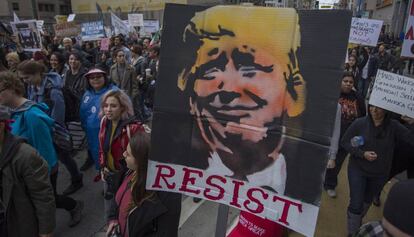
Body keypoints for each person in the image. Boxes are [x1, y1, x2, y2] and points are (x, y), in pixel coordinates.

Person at [176, 6, 306, 192]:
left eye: (249, 69)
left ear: (293, 89)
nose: (228, 89)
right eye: (211, 70)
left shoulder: (305, 183)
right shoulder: (179, 167)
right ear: (191, 99)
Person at [0, 71, 84, 228]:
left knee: (48, 199)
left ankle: (74, 206)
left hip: (42, 169)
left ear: (11, 89)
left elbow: (44, 150)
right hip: (25, 168)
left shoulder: (32, 116)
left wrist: (43, 173)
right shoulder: (13, 111)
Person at [341, 105, 414, 236]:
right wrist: (362, 154)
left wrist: (412, 123)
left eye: (378, 108)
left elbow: (410, 139)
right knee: (356, 203)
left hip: (379, 174)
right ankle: (353, 233)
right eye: (372, 107)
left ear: (386, 109)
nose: (374, 110)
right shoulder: (360, 123)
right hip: (358, 170)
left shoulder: (394, 126)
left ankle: (356, 222)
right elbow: (345, 142)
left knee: (367, 201)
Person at [17, 60, 83, 196]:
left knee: (64, 157)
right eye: (22, 78)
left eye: (27, 77)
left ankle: (77, 179)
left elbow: (58, 116)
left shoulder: (52, 90)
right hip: (42, 130)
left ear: (38, 74)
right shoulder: (32, 87)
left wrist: (47, 129)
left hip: (53, 131)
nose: (25, 81)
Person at [106, 131, 181, 237]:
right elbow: (117, 201)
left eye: (128, 154)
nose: (123, 155)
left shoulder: (165, 196)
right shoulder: (128, 171)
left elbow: (166, 232)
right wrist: (113, 219)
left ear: (141, 161)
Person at [0, 105, 55, 237]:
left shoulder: (25, 155)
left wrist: (46, 230)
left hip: (19, 225)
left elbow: (42, 195)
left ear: (1, 125)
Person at [98, 89, 144, 221]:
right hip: (109, 174)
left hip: (126, 176)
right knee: (110, 212)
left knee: (125, 211)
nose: (108, 110)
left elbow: (140, 157)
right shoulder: (104, 122)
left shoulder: (133, 128)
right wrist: (103, 166)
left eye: (113, 106)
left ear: (123, 107)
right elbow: (102, 148)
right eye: (106, 106)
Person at [324, 72, 366, 198]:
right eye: (345, 81)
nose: (348, 84)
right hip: (329, 134)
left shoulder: (358, 98)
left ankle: (330, 185)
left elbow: (363, 117)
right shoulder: (332, 93)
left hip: (346, 139)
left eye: (351, 82)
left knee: (336, 163)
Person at [80, 68, 118, 172]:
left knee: (113, 161)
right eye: (92, 77)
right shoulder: (87, 93)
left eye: (98, 77)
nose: (95, 79)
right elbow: (83, 113)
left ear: (105, 78)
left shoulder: (114, 92)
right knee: (99, 160)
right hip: (92, 136)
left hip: (110, 136)